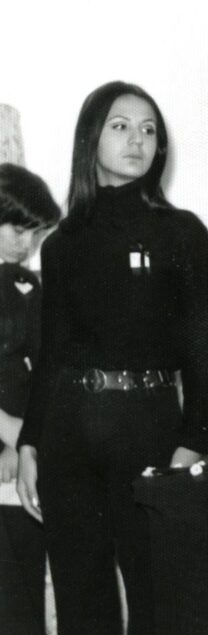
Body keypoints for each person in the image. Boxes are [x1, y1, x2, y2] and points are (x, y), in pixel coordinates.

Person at [16, 81, 208, 634]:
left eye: (149, 130)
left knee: (158, 599)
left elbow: (203, 349)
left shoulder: (183, 234)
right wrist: (31, 441)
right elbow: (52, 352)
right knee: (81, 603)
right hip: (67, 431)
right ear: (91, 138)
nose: (137, 139)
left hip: (147, 425)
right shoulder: (61, 244)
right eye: (121, 125)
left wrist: (195, 441)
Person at [0, 163, 60, 634]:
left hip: (20, 448)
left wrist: (26, 444)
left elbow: (43, 369)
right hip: (9, 436)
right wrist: (9, 435)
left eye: (36, 233)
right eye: (18, 229)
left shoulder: (30, 286)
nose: (28, 244)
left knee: (20, 597)